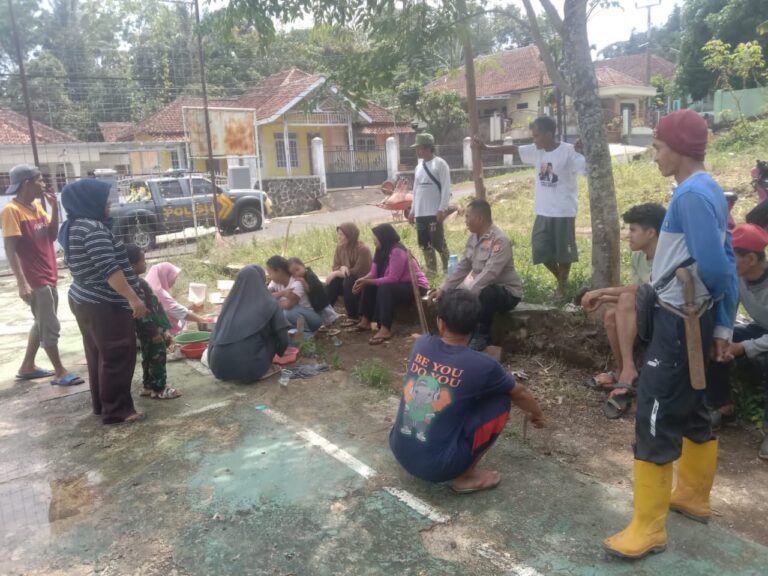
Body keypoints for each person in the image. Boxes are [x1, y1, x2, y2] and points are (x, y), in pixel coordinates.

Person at [603, 109, 737, 559]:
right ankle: (694, 496)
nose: (655, 155)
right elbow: (726, 260)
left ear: (678, 148)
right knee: (694, 404)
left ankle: (648, 528)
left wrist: (708, 310)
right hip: (694, 318)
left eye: (658, 147)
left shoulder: (690, 196)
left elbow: (717, 266)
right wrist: (720, 320)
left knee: (655, 411)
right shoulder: (708, 188)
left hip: (680, 320)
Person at [389, 289, 544, 492]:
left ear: (441, 323)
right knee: (501, 401)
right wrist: (537, 413)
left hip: (399, 450)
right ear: (475, 326)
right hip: (437, 468)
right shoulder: (483, 365)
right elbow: (520, 393)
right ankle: (465, 476)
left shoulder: (421, 343)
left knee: (460, 394)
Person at [59, 179, 148, 425]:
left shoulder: (73, 226)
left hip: (84, 298)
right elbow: (110, 269)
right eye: (103, 198)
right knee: (117, 353)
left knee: (98, 354)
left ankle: (103, 405)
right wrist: (133, 299)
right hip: (104, 303)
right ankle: (118, 411)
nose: (108, 203)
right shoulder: (93, 229)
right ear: (89, 201)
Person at [473, 117, 585, 295]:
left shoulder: (569, 152)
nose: (534, 140)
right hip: (542, 211)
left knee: (563, 254)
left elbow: (586, 169)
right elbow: (513, 149)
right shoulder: (536, 151)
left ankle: (562, 287)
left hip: (563, 211)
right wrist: (486, 148)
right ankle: (562, 281)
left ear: (549, 134)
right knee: (540, 249)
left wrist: (585, 152)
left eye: (537, 136)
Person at [1, 164, 81, 386]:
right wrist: (21, 283)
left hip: (48, 273)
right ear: (27, 183)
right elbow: (10, 249)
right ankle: (59, 371)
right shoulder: (11, 211)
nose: (44, 184)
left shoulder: (36, 207)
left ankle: (27, 366)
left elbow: (51, 236)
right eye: (40, 180)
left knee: (42, 321)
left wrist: (55, 209)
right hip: (35, 279)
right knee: (49, 325)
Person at [581, 203, 666, 395]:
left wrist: (600, 292)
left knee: (626, 299)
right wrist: (604, 298)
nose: (628, 235)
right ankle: (621, 371)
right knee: (611, 314)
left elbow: (643, 290)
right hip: (647, 310)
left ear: (651, 233)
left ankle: (628, 369)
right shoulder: (638, 257)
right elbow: (639, 294)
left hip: (666, 314)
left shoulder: (666, 257)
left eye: (633, 230)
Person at [707, 224, 768, 459]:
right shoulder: (737, 277)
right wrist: (725, 339)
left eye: (731, 256)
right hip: (761, 328)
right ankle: (722, 406)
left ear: (751, 259)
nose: (726, 262)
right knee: (716, 340)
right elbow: (729, 309)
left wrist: (743, 347)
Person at [430, 199, 523, 351]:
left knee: (485, 293)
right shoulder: (473, 238)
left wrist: (469, 292)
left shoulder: (500, 240)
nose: (465, 220)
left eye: (468, 216)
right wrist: (444, 288)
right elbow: (463, 266)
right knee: (449, 295)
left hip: (505, 292)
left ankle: (481, 336)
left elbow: (490, 272)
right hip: (478, 287)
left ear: (479, 218)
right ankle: (452, 334)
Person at [208, 265, 290, 383]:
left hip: (218, 368)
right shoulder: (269, 303)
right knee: (274, 334)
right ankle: (261, 367)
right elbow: (283, 338)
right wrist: (280, 352)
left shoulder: (228, 303)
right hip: (249, 369)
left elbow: (214, 336)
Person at [351, 223, 429, 345]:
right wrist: (363, 280)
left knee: (385, 288)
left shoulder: (397, 251)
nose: (373, 240)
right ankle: (365, 321)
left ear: (384, 237)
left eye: (375, 237)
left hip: (415, 286)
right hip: (398, 285)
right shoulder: (380, 250)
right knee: (369, 285)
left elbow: (393, 278)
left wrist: (368, 281)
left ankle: (385, 329)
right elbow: (373, 273)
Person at [125, 244, 181, 400]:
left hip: (150, 329)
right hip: (151, 329)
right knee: (158, 358)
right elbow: (143, 313)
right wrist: (155, 332)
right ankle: (159, 388)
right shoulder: (136, 286)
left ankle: (148, 385)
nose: (145, 263)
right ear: (132, 266)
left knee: (148, 356)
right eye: (143, 260)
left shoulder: (135, 283)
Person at [407, 133, 451, 273]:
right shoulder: (418, 167)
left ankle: (448, 269)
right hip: (420, 214)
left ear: (428, 148)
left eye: (419, 148)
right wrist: (412, 211)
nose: (417, 151)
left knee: (438, 242)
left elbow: (446, 188)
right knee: (424, 244)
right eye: (417, 148)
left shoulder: (440, 164)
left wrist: (442, 209)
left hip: (434, 212)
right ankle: (432, 271)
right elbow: (415, 191)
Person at [326, 223, 372, 327]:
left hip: (362, 282)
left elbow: (358, 271)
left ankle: (353, 316)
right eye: (338, 234)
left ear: (351, 235)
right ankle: (326, 314)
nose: (339, 237)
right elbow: (335, 266)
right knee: (332, 281)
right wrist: (341, 268)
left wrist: (338, 272)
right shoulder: (340, 247)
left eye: (342, 234)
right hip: (347, 280)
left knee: (348, 281)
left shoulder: (363, 249)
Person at [266, 255, 323, 334]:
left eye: (270, 273)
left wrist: (274, 299)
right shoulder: (274, 283)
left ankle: (306, 334)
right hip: (297, 318)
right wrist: (280, 294)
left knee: (289, 312)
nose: (268, 276)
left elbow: (288, 305)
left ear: (279, 271)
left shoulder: (297, 282)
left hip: (313, 318)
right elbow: (265, 296)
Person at [145, 263, 207, 335]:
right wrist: (202, 320)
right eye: (173, 278)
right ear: (165, 276)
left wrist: (190, 309)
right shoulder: (158, 292)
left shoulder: (148, 285)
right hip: (161, 332)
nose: (174, 282)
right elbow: (180, 312)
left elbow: (173, 310)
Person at [288, 257, 339, 327]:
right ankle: (328, 324)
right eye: (293, 274)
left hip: (321, 298)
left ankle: (334, 321)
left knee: (327, 312)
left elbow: (310, 289)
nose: (297, 274)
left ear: (303, 266)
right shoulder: (305, 275)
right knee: (323, 314)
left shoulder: (310, 275)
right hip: (315, 301)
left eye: (297, 270)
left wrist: (303, 281)